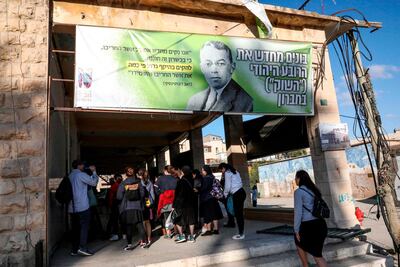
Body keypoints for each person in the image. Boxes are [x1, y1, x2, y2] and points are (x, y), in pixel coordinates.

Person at [186, 41, 253, 112]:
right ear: (202, 68)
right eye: (208, 64)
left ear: (232, 67)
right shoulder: (194, 100)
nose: (214, 70)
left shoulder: (244, 101)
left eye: (220, 63)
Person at [294, 170, 328, 267]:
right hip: (321, 224)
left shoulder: (298, 192)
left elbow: (298, 212)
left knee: (316, 255)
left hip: (310, 226)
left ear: (299, 179)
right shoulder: (314, 190)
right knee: (317, 254)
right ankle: (305, 265)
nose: (295, 180)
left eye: (296, 178)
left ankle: (305, 265)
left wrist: (296, 230)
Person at [68, 160, 99, 256]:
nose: (83, 166)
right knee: (84, 227)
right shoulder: (81, 175)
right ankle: (83, 248)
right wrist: (94, 172)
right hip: (82, 206)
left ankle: (74, 250)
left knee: (75, 229)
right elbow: (93, 183)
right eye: (82, 165)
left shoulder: (70, 176)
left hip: (72, 207)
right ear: (79, 166)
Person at [117, 166, 147, 250]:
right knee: (140, 225)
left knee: (128, 227)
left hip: (127, 208)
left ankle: (129, 245)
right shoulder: (138, 182)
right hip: (137, 207)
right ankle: (144, 243)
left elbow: (119, 196)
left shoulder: (123, 183)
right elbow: (142, 194)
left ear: (126, 174)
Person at [219, 163, 246, 240]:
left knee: (238, 215)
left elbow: (227, 186)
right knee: (239, 214)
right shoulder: (235, 171)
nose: (222, 172)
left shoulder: (227, 173)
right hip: (242, 192)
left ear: (224, 168)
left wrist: (224, 194)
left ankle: (241, 234)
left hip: (237, 194)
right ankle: (241, 232)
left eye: (222, 170)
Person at [173, 166, 197, 243]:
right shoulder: (192, 180)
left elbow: (178, 195)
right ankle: (192, 236)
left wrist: (174, 205)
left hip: (182, 204)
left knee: (177, 219)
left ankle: (182, 235)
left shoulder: (181, 181)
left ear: (183, 172)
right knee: (191, 219)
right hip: (191, 203)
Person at [199, 165, 223, 236]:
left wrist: (198, 189)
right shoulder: (212, 177)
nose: (202, 171)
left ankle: (209, 230)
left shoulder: (206, 178)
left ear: (206, 171)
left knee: (208, 215)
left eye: (203, 170)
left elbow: (204, 189)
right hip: (214, 197)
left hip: (207, 198)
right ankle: (216, 229)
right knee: (215, 214)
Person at [155, 166, 178, 238]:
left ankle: (168, 234)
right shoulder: (175, 179)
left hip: (165, 200)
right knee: (174, 217)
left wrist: (160, 193)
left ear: (165, 171)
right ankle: (176, 233)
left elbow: (155, 187)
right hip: (174, 200)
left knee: (166, 217)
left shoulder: (160, 178)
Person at [138, 168, 155, 246]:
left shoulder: (138, 183)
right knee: (148, 221)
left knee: (142, 222)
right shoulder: (150, 183)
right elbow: (153, 195)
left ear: (139, 175)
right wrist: (152, 204)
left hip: (140, 204)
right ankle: (149, 238)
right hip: (148, 204)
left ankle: (143, 239)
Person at [107, 174, 122, 241]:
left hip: (115, 205)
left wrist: (110, 206)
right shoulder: (123, 185)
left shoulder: (113, 187)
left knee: (114, 220)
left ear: (115, 179)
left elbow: (110, 198)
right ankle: (124, 234)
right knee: (122, 220)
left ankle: (115, 234)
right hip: (122, 204)